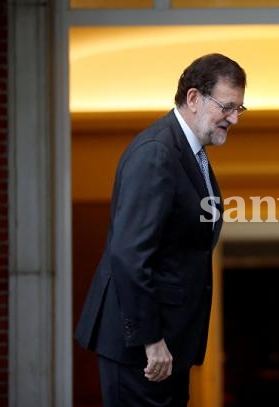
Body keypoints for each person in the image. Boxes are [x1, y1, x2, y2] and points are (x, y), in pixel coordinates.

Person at [74, 53, 247, 406]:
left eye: (239, 109)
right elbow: (130, 255)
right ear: (194, 98)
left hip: (167, 347)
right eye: (227, 106)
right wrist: (151, 340)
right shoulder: (157, 152)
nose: (233, 118)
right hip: (143, 350)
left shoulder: (188, 152)